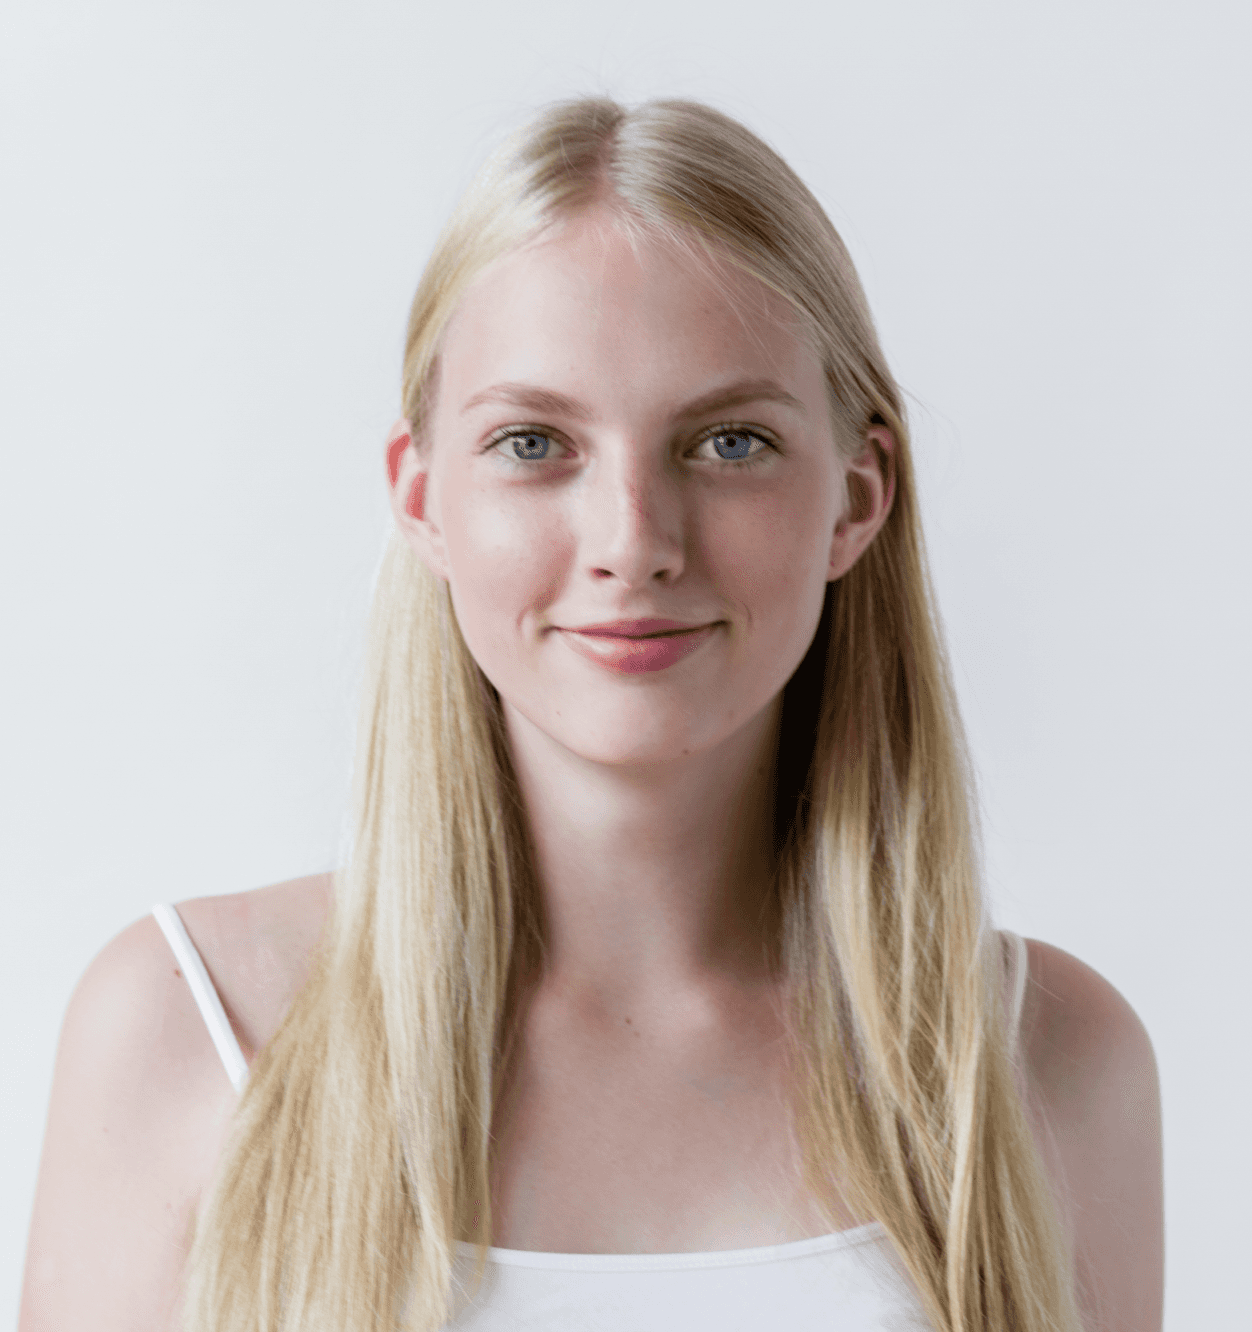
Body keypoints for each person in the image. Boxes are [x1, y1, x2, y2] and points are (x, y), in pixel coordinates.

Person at [19, 96, 1163, 1332]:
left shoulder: (1047, 1067)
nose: (633, 541)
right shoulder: (187, 1031)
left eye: (728, 443)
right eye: (533, 443)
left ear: (856, 496)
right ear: (421, 497)